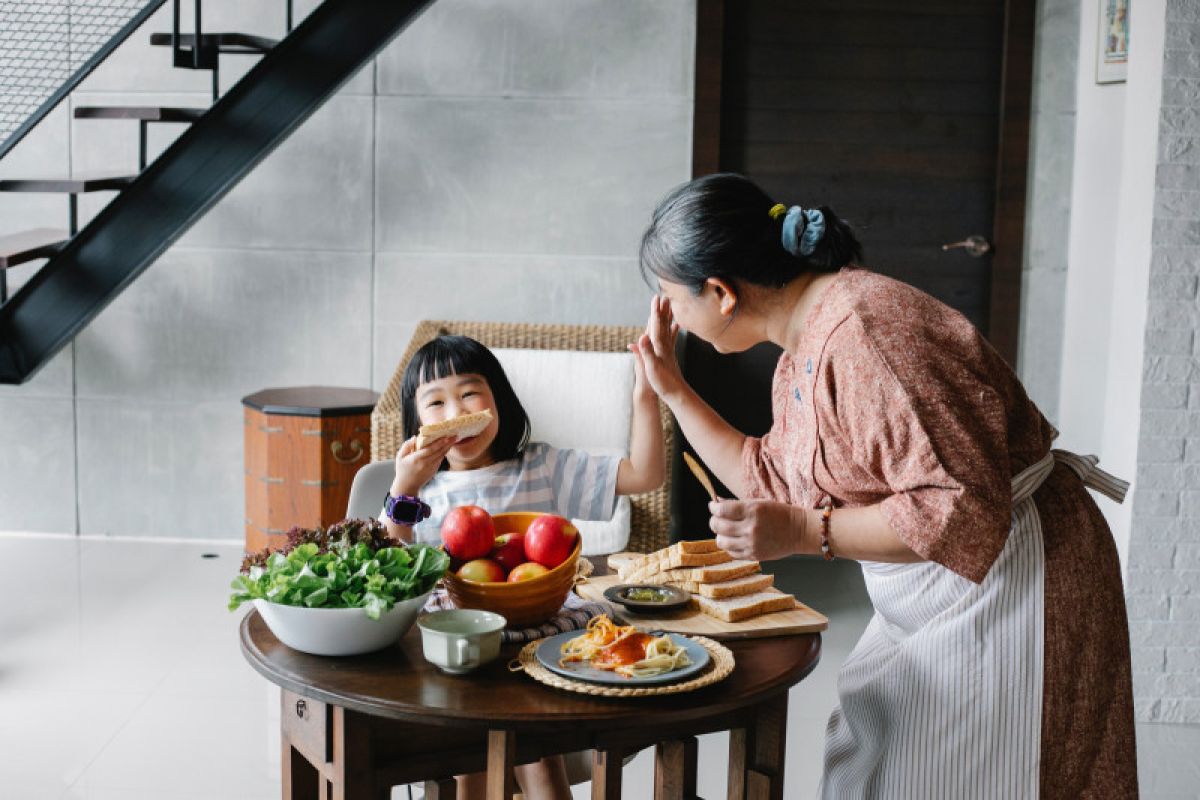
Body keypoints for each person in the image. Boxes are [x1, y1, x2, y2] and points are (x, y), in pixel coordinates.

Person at [629, 173, 1137, 798]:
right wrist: (672, 389)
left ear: (720, 292)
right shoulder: (804, 345)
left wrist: (801, 532)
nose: (668, 315)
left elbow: (960, 511)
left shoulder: (866, 336)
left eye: (669, 297)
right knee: (878, 766)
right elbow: (771, 477)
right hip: (947, 589)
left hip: (1016, 583)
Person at [380, 334, 665, 800]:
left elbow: (645, 475)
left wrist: (646, 394)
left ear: (499, 400)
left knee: (539, 760)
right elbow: (390, 568)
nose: (455, 412)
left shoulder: (542, 468)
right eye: (436, 402)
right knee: (470, 764)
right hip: (459, 671)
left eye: (469, 392)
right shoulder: (420, 496)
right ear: (416, 424)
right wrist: (403, 487)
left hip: (537, 659)